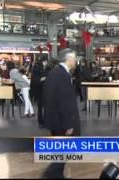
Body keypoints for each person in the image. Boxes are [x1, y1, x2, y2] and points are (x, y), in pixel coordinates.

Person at [42, 48, 80, 179]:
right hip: (61, 122)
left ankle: (57, 175)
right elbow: (64, 102)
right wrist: (69, 124)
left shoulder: (55, 73)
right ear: (68, 59)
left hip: (55, 120)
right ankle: (49, 174)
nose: (76, 61)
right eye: (75, 59)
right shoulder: (63, 75)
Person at [30, 57, 49, 128]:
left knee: (45, 107)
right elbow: (36, 80)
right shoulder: (37, 69)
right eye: (45, 62)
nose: (46, 63)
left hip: (45, 90)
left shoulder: (45, 69)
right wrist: (46, 78)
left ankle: (45, 121)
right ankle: (41, 122)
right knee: (40, 107)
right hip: (40, 91)